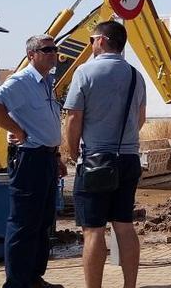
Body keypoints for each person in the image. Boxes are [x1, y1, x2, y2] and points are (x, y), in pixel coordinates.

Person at [63, 20, 146, 288]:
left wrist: (72, 152)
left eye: (90, 40)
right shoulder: (136, 75)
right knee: (124, 225)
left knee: (93, 230)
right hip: (129, 158)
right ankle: (129, 286)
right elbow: (140, 118)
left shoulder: (84, 73)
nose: (90, 45)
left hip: (96, 160)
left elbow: (73, 118)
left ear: (102, 40)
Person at [0, 35, 66, 288]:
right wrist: (17, 131)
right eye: (47, 49)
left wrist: (57, 155)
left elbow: (45, 123)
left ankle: (34, 277)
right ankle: (17, 283)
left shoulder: (47, 82)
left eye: (54, 48)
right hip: (29, 157)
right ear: (31, 55)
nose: (53, 53)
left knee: (43, 221)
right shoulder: (22, 81)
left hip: (46, 157)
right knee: (24, 221)